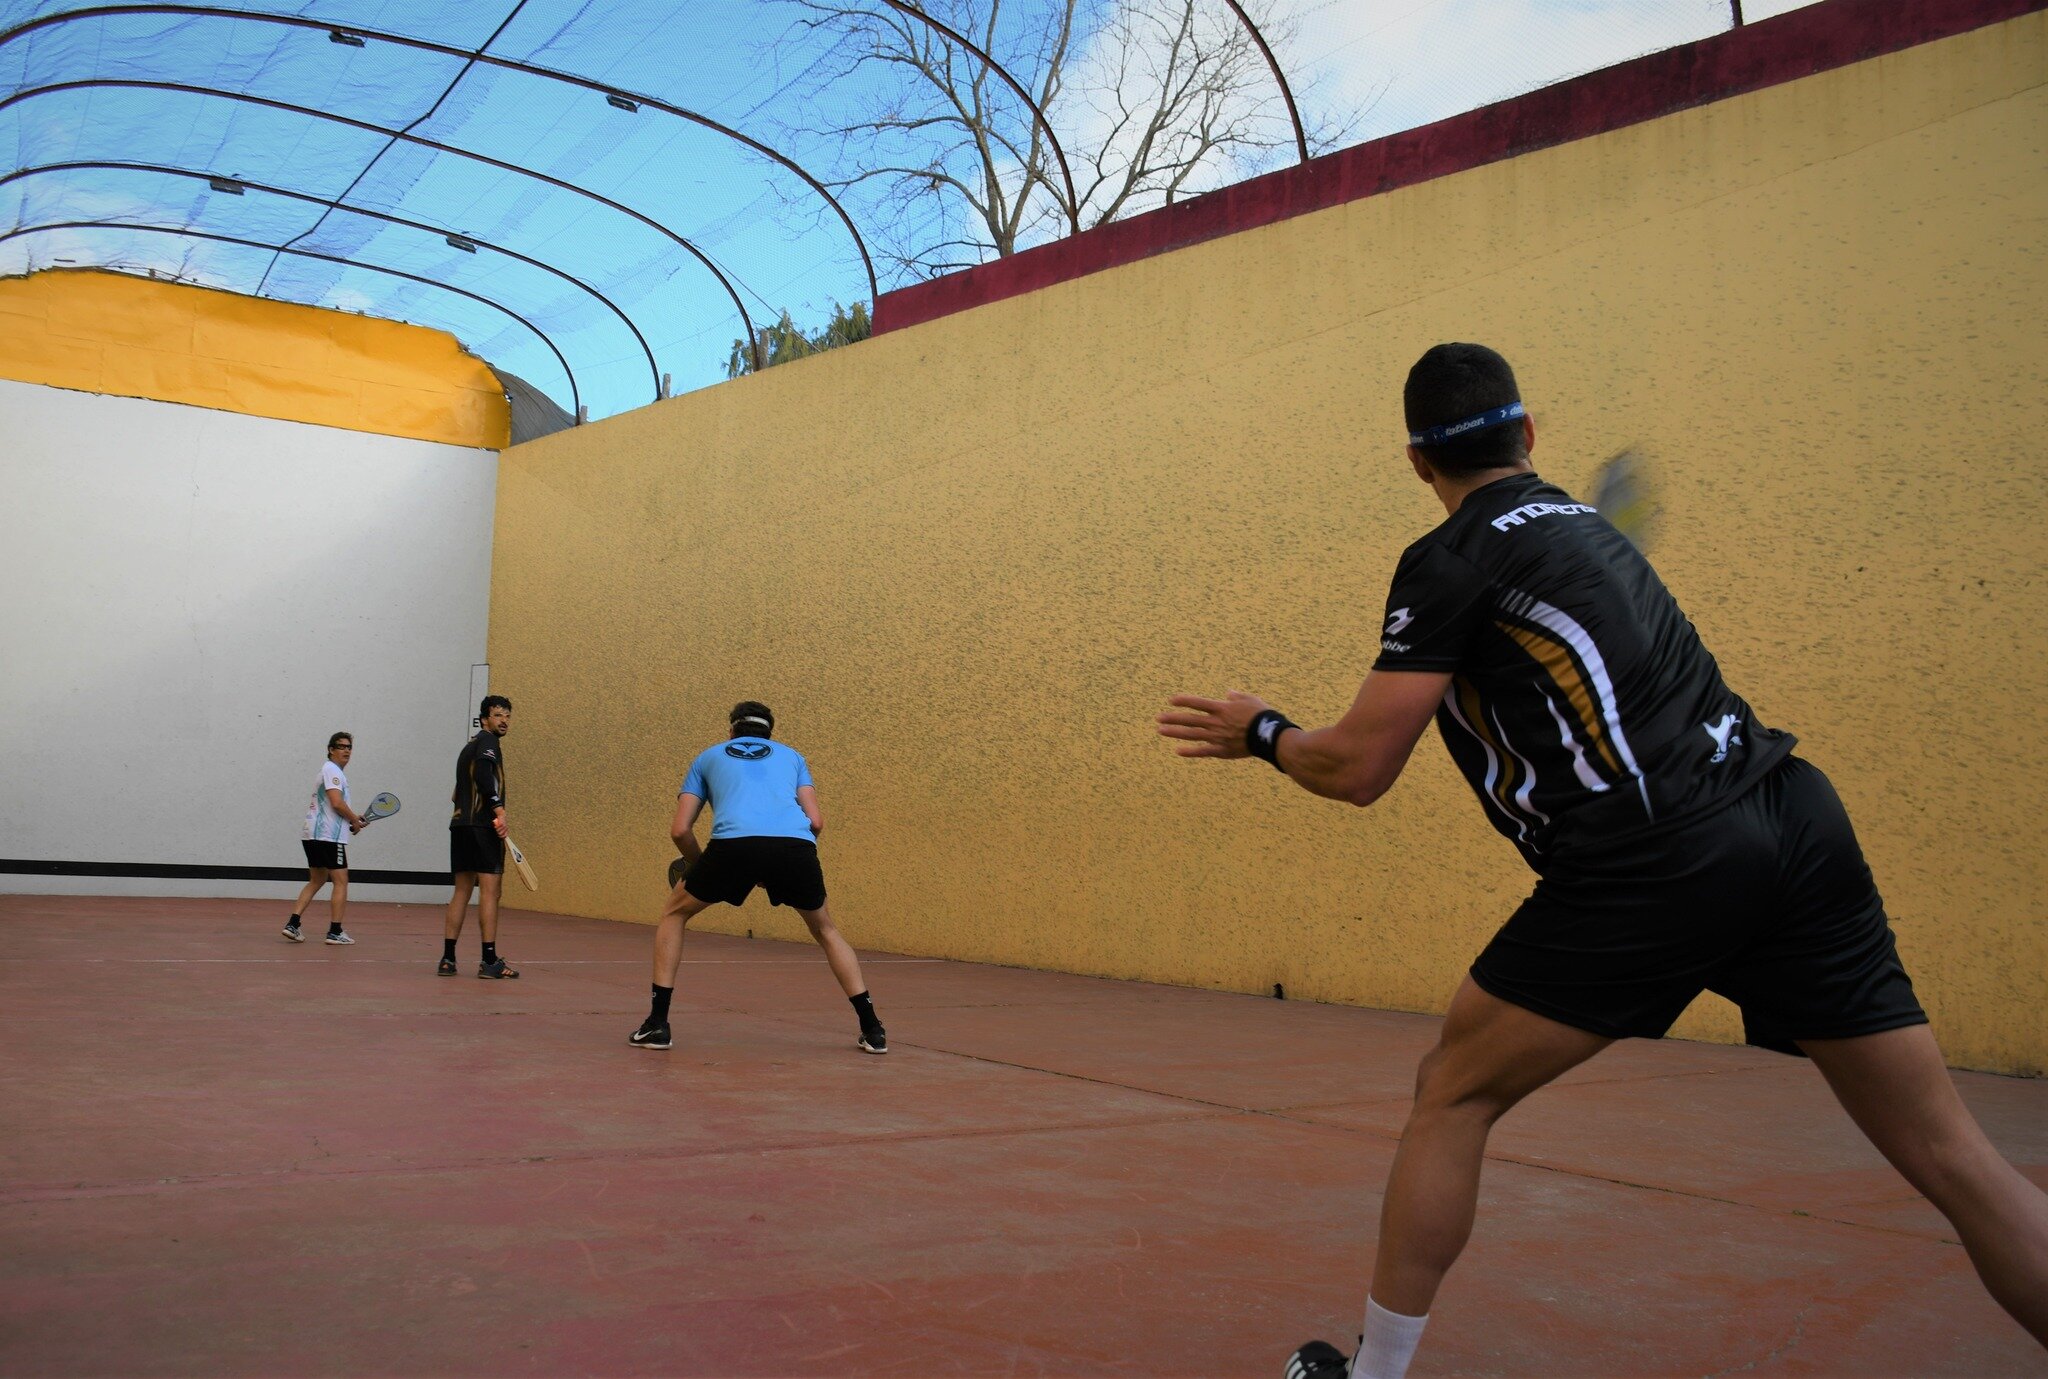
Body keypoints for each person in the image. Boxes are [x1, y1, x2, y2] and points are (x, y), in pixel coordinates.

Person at [1157, 344, 2048, 1378]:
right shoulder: (1577, 524)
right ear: (1526, 434)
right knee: (1955, 1158)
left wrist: (1262, 729)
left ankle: (1374, 1375)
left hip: (1654, 860)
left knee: (1452, 1090)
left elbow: (1355, 767)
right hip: (1790, 813)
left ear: (1415, 462)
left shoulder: (1449, 558)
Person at [630, 701, 886, 1055]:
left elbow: (680, 831)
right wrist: (779, 862)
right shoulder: (792, 757)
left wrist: (701, 865)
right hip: (794, 847)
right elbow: (815, 823)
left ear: (731, 732)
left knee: (675, 913)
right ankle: (873, 1030)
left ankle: (657, 1025)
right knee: (826, 929)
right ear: (770, 733)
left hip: (732, 846)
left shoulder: (707, 757)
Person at [443, 695, 519, 978]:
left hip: (460, 826)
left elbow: (455, 794)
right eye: (498, 715)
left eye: (508, 716)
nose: (504, 721)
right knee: (491, 891)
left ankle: (448, 959)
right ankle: (489, 961)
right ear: (484, 718)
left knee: (461, 891)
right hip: (482, 827)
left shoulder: (468, 748)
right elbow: (485, 776)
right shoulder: (488, 742)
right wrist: (498, 811)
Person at [284, 731, 369, 945]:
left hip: (311, 834)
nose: (346, 750)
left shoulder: (331, 771)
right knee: (341, 881)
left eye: (349, 747)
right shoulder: (332, 770)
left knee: (317, 879)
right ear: (331, 750)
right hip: (327, 837)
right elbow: (337, 803)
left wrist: (353, 818)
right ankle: (335, 931)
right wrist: (354, 821)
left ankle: (293, 924)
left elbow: (336, 806)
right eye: (341, 746)